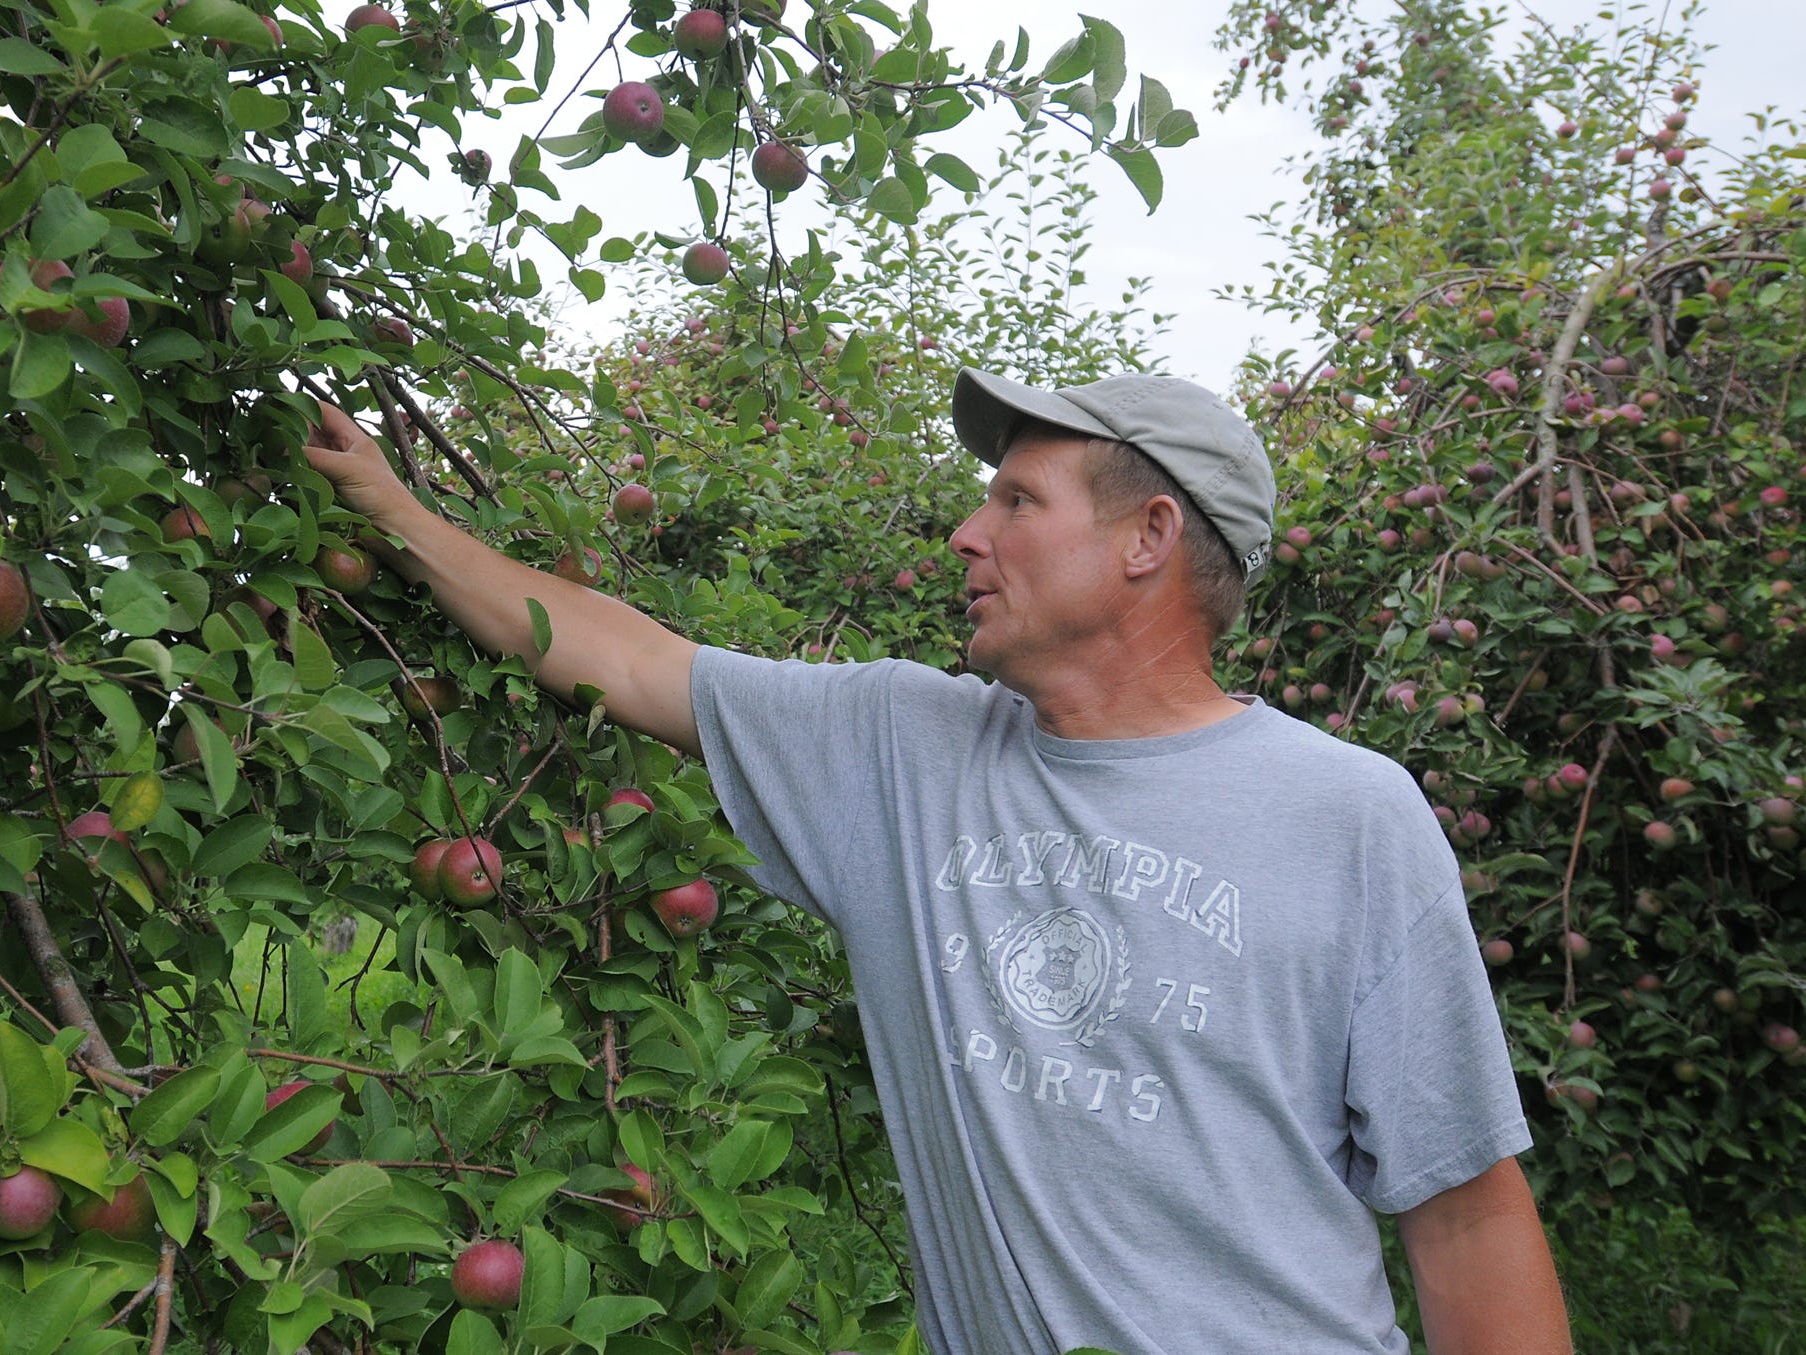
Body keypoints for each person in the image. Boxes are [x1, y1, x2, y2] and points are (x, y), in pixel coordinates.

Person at [302, 368, 1572, 1355]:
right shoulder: (902, 751)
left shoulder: (1347, 814)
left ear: (1147, 536)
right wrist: (394, 510)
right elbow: (624, 655)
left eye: (1018, 500)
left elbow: (1460, 1202)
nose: (968, 531)